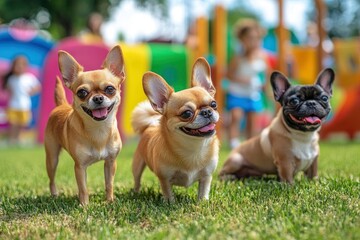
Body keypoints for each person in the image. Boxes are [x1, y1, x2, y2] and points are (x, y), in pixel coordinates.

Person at [225, 19, 269, 149]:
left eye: (256, 38)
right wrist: (243, 80)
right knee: (236, 116)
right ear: (242, 40)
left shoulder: (262, 56)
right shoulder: (238, 57)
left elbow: (267, 73)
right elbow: (228, 74)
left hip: (253, 93)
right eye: (249, 38)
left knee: (252, 122)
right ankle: (234, 143)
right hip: (237, 92)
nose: (253, 41)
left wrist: (266, 87)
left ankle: (250, 147)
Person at [2, 55, 41, 145]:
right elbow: (7, 88)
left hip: (24, 105)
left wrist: (32, 91)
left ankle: (19, 138)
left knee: (22, 123)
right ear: (13, 67)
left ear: (26, 67)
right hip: (13, 105)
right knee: (13, 123)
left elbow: (38, 87)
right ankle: (12, 139)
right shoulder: (11, 79)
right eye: (17, 65)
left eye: (22, 65)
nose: (19, 67)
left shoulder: (29, 78)